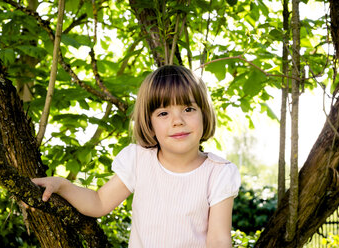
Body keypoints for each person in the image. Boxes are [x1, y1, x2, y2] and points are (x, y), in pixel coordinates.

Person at [32, 65, 241, 248]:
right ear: (149, 124)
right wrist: (61, 185)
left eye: (188, 109)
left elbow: (218, 241)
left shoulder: (218, 173)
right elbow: (99, 203)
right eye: (163, 113)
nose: (178, 121)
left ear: (204, 114)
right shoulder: (139, 161)